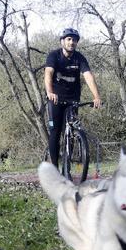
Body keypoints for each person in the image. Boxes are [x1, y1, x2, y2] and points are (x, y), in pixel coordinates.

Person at [44, 28, 102, 167]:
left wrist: (96, 96)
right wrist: (50, 92)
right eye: (69, 39)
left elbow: (88, 75)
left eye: (74, 40)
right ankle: (54, 167)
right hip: (55, 99)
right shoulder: (54, 56)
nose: (72, 42)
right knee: (55, 132)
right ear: (62, 41)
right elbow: (48, 74)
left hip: (72, 98)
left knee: (71, 130)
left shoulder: (79, 58)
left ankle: (67, 163)